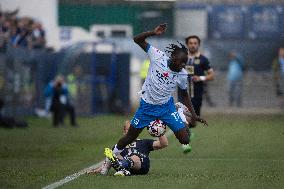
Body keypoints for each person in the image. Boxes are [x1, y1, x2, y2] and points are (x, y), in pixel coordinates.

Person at [104, 23, 207, 176]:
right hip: (147, 107)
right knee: (130, 136)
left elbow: (185, 95)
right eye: (180, 61)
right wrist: (152, 32)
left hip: (166, 108)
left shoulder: (182, 74)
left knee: (185, 139)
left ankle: (179, 112)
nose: (182, 65)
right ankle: (110, 157)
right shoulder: (157, 55)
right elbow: (137, 39)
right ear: (172, 57)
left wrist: (194, 115)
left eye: (185, 62)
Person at [178, 35, 214, 118]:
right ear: (187, 45)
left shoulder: (203, 59)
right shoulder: (181, 58)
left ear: (198, 45)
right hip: (183, 92)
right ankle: (185, 130)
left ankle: (188, 129)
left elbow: (211, 76)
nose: (193, 45)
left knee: (194, 118)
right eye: (190, 43)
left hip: (197, 93)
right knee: (183, 116)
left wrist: (200, 78)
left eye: (195, 43)